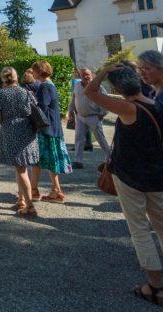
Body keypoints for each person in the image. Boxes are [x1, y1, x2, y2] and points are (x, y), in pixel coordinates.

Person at [84, 63, 163, 305]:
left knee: (139, 229)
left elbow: (90, 91)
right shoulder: (156, 105)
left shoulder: (128, 108)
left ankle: (156, 286)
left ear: (117, 88)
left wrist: (105, 70)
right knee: (161, 225)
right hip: (158, 175)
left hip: (131, 177)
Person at [0, 67, 40, 217]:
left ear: (3, 78)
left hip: (12, 132)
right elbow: (34, 110)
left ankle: (30, 206)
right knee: (23, 167)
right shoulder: (26, 92)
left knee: (20, 169)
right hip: (27, 130)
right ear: (16, 77)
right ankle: (21, 199)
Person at [30, 60, 72, 203]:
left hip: (46, 130)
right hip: (53, 128)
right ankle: (56, 191)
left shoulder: (45, 87)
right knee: (50, 161)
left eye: (33, 70)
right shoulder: (49, 84)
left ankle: (34, 191)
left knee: (36, 159)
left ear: (39, 71)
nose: (32, 73)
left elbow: (42, 108)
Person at [68, 68, 110, 169]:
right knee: (78, 139)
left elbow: (106, 100)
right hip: (80, 117)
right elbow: (74, 98)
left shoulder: (98, 87)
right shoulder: (77, 85)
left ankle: (110, 158)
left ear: (92, 75)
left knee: (100, 138)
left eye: (87, 74)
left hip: (93, 116)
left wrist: (102, 114)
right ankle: (78, 161)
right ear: (80, 76)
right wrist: (71, 110)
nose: (86, 76)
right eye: (83, 75)